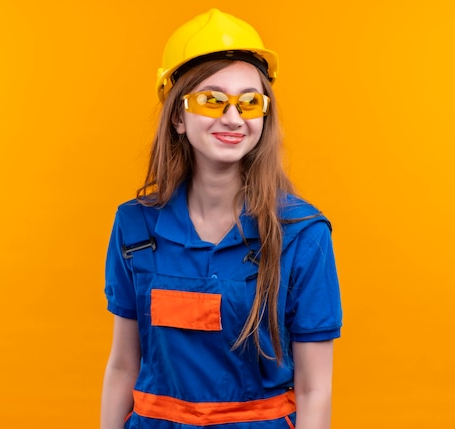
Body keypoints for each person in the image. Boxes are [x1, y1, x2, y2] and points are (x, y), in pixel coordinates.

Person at [101, 8, 342, 429]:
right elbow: (123, 365)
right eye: (212, 99)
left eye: (250, 102)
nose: (233, 118)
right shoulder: (134, 227)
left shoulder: (302, 235)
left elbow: (314, 389)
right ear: (178, 116)